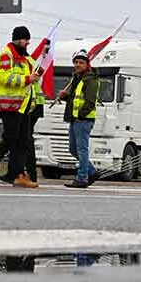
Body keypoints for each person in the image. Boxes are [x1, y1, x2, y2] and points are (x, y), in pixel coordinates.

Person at [0, 26, 40, 188]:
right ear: (16, 39)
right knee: (10, 139)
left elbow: (32, 77)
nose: (27, 42)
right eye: (25, 39)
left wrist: (35, 74)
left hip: (22, 106)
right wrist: (27, 78)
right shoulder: (6, 56)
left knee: (23, 141)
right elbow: (3, 77)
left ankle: (17, 174)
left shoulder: (24, 58)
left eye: (28, 39)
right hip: (9, 105)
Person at [59, 50, 100, 188]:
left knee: (81, 149)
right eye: (76, 62)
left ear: (87, 64)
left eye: (81, 62)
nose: (77, 64)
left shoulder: (91, 79)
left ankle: (82, 178)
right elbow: (75, 100)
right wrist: (65, 96)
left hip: (83, 120)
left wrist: (80, 115)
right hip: (75, 119)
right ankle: (92, 172)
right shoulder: (78, 78)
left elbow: (89, 101)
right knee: (73, 149)